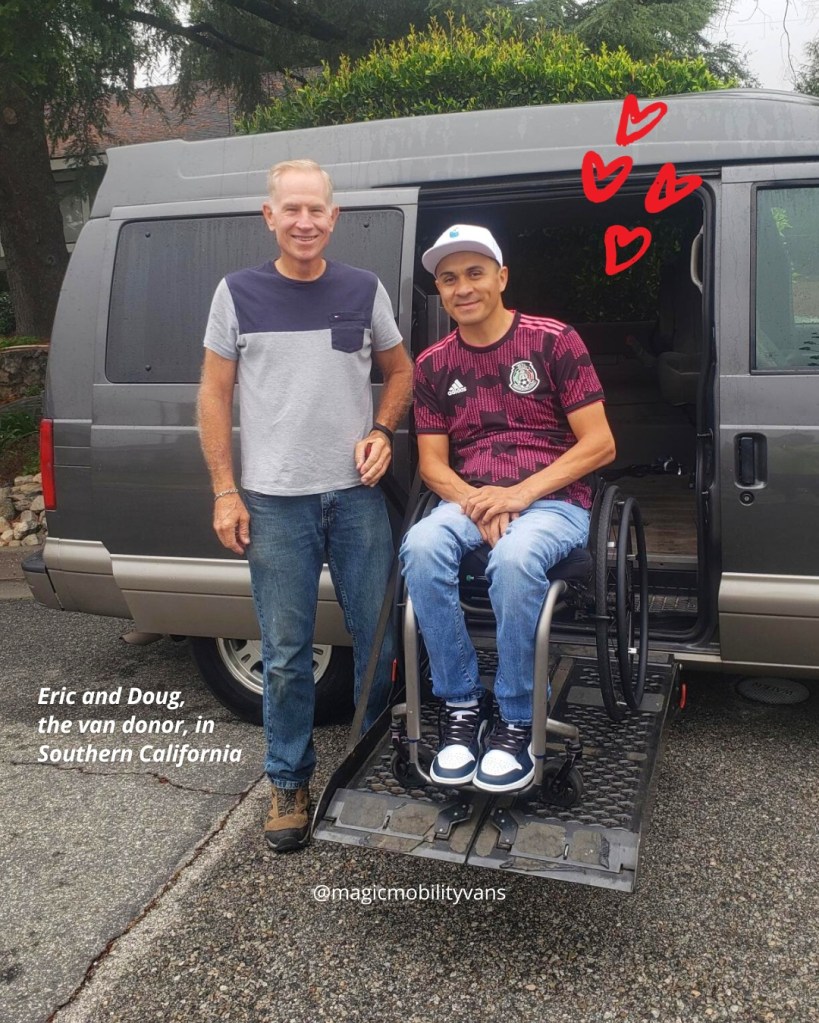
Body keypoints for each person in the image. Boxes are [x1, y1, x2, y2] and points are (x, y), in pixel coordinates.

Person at [197, 159, 413, 852]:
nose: (303, 221)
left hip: (355, 499)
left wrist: (382, 429)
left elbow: (402, 369)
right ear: (269, 217)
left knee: (380, 644)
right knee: (287, 655)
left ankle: (375, 765)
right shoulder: (237, 294)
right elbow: (212, 396)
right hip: (274, 503)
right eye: (290, 210)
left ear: (332, 215)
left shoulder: (362, 288)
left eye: (314, 210)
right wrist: (225, 490)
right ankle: (288, 781)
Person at [399, 224, 615, 793]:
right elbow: (431, 465)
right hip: (472, 498)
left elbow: (600, 445)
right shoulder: (432, 364)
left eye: (474, 273)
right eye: (448, 279)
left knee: (516, 559)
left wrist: (517, 496)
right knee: (420, 546)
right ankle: (463, 704)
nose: (462, 287)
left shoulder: (553, 341)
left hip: (553, 500)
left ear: (502, 277)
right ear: (439, 291)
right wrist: (476, 500)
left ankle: (518, 716)